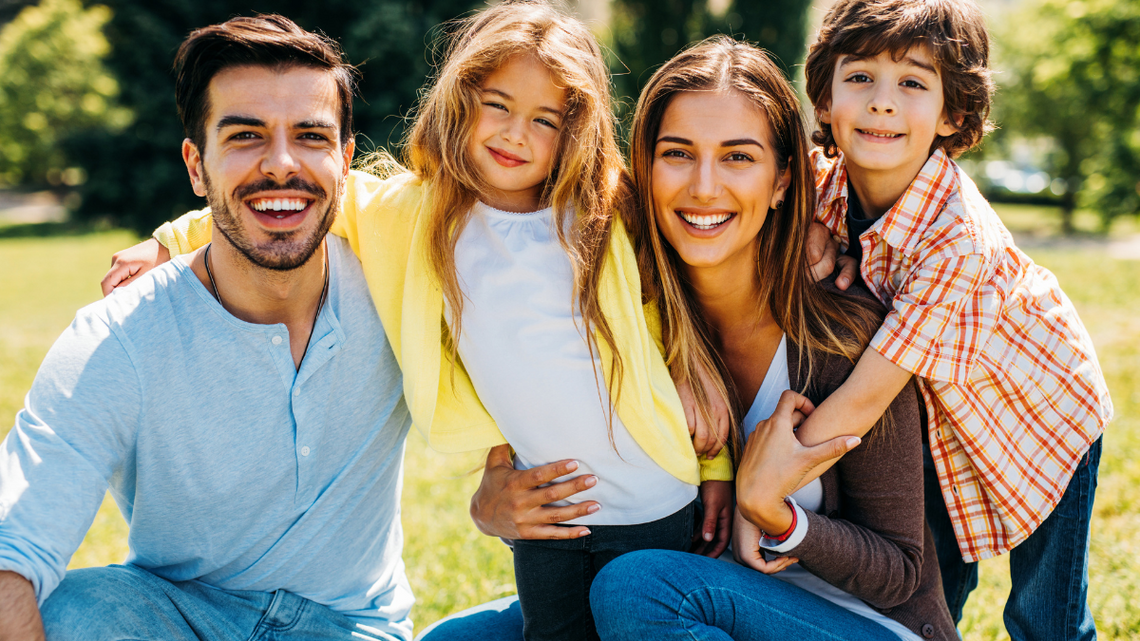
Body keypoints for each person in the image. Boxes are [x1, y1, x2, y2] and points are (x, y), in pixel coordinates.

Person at [106, 3, 736, 639]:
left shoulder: (607, 211)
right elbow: (290, 197)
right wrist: (162, 243)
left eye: (544, 119)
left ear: (575, 128)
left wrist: (715, 470)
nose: (516, 134)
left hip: (661, 498)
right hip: (539, 516)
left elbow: (677, 328)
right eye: (498, 105)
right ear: (461, 99)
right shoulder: (412, 214)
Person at [0, 15, 416, 641]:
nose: (281, 164)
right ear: (197, 167)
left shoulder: (398, 288)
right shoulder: (118, 339)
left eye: (309, 136)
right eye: (246, 136)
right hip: (172, 614)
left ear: (345, 160)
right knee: (73, 615)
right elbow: (12, 553)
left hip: (352, 627)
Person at [585, 35, 956, 641]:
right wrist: (499, 484)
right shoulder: (630, 320)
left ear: (785, 180)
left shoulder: (845, 338)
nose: (704, 187)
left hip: (869, 625)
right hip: (703, 607)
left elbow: (902, 573)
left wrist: (775, 512)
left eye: (738, 157)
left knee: (636, 589)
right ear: (645, 168)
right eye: (678, 153)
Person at [782, 1, 1112, 638]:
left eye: (912, 82)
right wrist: (805, 228)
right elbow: (772, 180)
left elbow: (859, 403)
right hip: (939, 424)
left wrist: (776, 481)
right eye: (859, 78)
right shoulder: (822, 183)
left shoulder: (956, 238)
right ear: (824, 99)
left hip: (1043, 414)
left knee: (1045, 618)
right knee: (931, 600)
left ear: (952, 113)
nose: (882, 102)